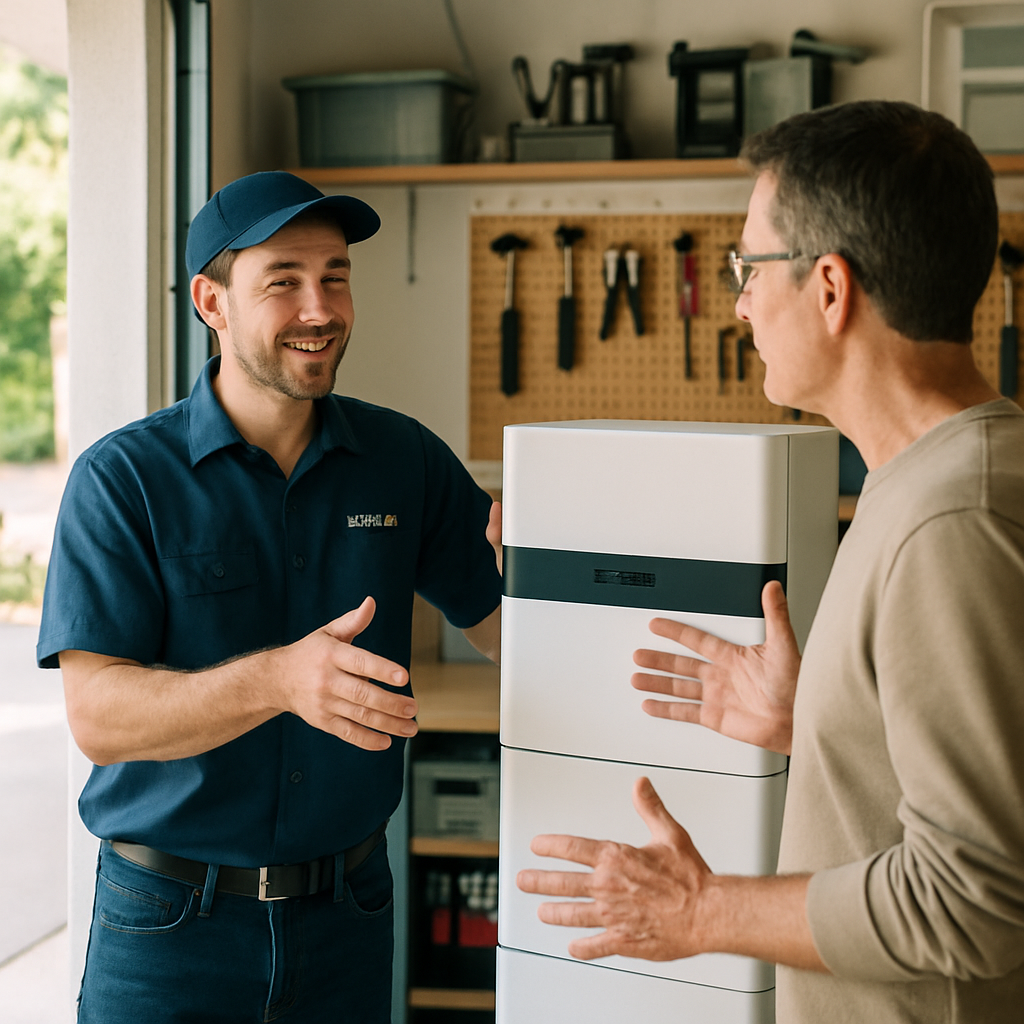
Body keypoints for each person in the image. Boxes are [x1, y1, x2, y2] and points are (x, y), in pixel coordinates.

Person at [516, 100, 1024, 1022]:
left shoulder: (955, 517)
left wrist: (704, 910)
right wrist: (826, 723)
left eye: (750, 267)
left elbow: (977, 901)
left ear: (831, 289)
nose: (739, 299)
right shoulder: (921, 480)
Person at [38, 170, 502, 1023]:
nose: (319, 308)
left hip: (349, 919)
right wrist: (281, 682)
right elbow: (99, 714)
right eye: (283, 281)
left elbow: (507, 627)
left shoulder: (406, 460)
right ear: (211, 302)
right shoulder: (123, 480)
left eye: (335, 276)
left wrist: (572, 564)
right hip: (170, 928)